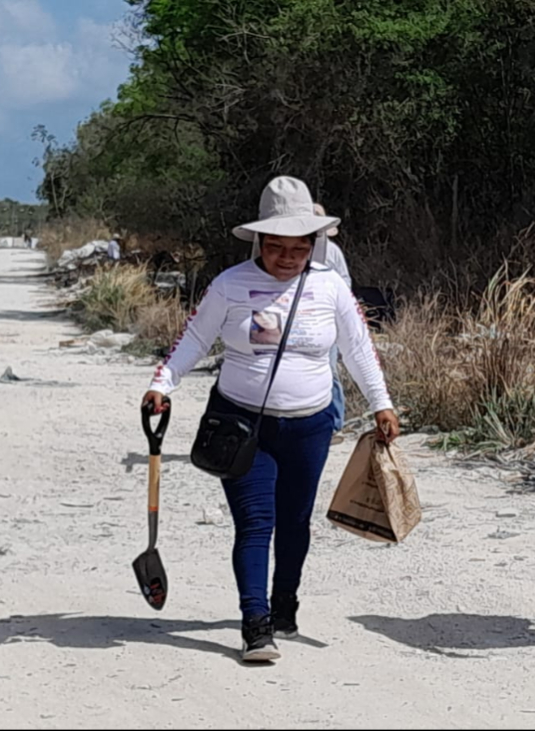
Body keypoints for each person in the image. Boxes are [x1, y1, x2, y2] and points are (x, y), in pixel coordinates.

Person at [142, 176, 400, 663]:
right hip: (242, 426)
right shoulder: (230, 285)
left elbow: (358, 349)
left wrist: (380, 402)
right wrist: (162, 385)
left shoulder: (330, 288)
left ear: (313, 244)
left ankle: (285, 602)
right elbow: (192, 340)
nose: (288, 256)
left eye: (299, 247)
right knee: (256, 522)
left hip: (310, 424)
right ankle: (255, 624)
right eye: (277, 246)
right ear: (259, 241)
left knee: (295, 521)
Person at [314, 203, 353, 435]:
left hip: (328, 319)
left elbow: (345, 280)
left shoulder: (334, 252)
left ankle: (336, 422)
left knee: (330, 369)